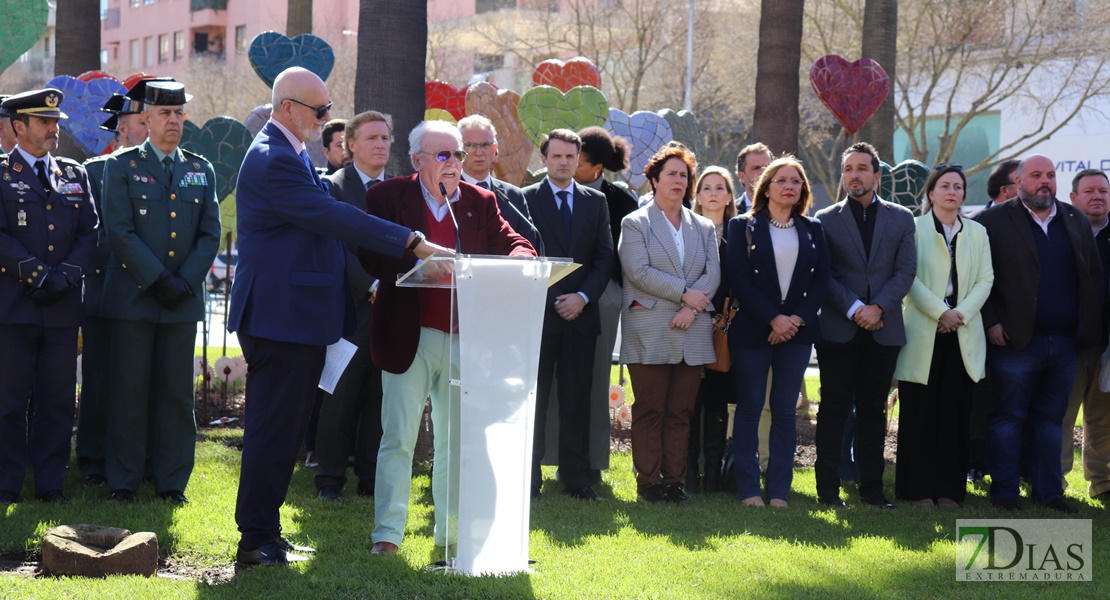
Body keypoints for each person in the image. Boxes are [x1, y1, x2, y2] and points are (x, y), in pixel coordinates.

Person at [228, 67, 447, 567]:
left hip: (296, 317)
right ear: (288, 108)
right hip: (280, 319)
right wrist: (409, 240)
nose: (328, 118)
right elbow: (330, 216)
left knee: (284, 432)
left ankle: (267, 531)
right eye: (320, 110)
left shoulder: (288, 151)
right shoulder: (273, 158)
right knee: (272, 432)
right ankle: (254, 540)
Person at [360, 120, 535, 555]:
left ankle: (450, 534)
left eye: (457, 154)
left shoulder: (478, 201)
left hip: (463, 337)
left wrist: (520, 257)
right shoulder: (385, 197)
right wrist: (416, 260)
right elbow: (369, 251)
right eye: (443, 155)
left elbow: (513, 241)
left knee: (455, 442)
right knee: (398, 438)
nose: (454, 163)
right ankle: (387, 534)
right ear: (418, 160)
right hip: (409, 335)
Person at [99, 81, 221, 505]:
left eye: (179, 114)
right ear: (145, 120)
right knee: (129, 391)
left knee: (175, 395)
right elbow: (119, 230)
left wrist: (183, 281)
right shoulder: (121, 166)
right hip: (135, 298)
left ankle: (172, 481)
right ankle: (124, 480)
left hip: (181, 302)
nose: (174, 120)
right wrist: (158, 279)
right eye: (165, 114)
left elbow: (210, 233)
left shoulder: (200, 169)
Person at [976, 154, 1104, 513]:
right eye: (1036, 175)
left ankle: (1049, 492)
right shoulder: (993, 220)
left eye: (1050, 175)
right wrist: (991, 321)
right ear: (1018, 182)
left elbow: (1091, 277)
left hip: (1064, 342)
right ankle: (1004, 491)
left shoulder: (1073, 218)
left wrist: (1087, 328)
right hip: (1014, 340)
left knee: (1051, 420)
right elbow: (977, 277)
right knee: (1008, 418)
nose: (1044, 181)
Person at [0, 88, 97, 505]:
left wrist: (66, 276)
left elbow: (90, 232)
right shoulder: (1, 172)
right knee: (9, 401)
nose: (53, 129)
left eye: (56, 122)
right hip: (15, 306)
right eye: (44, 122)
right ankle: (7, 483)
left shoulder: (74, 174)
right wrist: (39, 276)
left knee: (57, 401)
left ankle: (50, 483)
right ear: (19, 127)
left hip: (60, 307)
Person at [813, 141, 916, 509]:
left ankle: (872, 490)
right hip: (839, 329)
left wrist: (878, 308)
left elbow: (906, 271)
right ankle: (827, 490)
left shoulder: (902, 218)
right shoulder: (823, 219)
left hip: (884, 329)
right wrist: (857, 308)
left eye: (861, 168)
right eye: (848, 169)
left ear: (876, 174)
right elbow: (822, 276)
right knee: (834, 408)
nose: (853, 175)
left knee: (874, 411)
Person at [619, 144, 719, 505]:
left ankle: (674, 483)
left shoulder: (704, 226)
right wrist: (684, 295)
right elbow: (638, 271)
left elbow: (713, 273)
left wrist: (691, 309)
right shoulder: (635, 223)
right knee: (649, 409)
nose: (679, 180)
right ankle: (648, 484)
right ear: (654, 179)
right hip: (650, 329)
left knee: (680, 411)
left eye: (684, 175)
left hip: (691, 329)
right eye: (671, 174)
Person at [727, 157, 830, 507]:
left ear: (803, 190)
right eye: (781, 180)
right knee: (751, 406)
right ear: (765, 186)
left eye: (796, 181)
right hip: (753, 330)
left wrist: (794, 320)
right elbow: (739, 279)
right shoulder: (741, 226)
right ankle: (748, 489)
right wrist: (774, 319)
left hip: (797, 334)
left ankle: (779, 491)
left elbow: (821, 281)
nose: (789, 186)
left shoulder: (814, 228)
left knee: (786, 409)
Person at [893, 165, 994, 508]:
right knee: (920, 416)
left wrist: (959, 315)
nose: (952, 192)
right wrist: (941, 312)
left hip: (962, 332)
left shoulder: (978, 232)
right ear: (931, 193)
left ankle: (950, 491)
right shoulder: (913, 228)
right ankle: (918, 490)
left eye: (958, 187)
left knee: (955, 415)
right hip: (924, 331)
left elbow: (986, 280)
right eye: (945, 186)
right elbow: (908, 278)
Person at [76, 77, 159, 489]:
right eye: (140, 120)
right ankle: (93, 460)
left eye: (152, 118)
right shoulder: (96, 171)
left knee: (142, 385)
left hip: (152, 295)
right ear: (121, 128)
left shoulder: (168, 170)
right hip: (107, 292)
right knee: (100, 381)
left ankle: (140, 460)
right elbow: (93, 236)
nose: (149, 126)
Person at [522, 129, 613, 500]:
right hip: (538, 314)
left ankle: (575, 476)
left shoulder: (596, 202)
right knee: (535, 398)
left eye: (570, 157)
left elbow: (605, 256)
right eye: (556, 156)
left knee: (577, 398)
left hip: (582, 314)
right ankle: (528, 477)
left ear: (579, 160)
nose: (563, 162)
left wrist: (582, 297)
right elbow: (523, 252)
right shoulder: (525, 198)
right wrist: (557, 296)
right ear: (544, 159)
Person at [313, 110, 394, 501]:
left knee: (382, 397)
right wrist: (370, 285)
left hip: (393, 309)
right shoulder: (332, 188)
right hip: (348, 311)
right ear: (351, 145)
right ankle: (329, 479)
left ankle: (370, 477)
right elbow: (335, 248)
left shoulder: (399, 190)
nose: (381, 144)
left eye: (385, 138)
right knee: (339, 397)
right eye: (373, 138)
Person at [573, 126, 639, 483]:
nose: (570, 166)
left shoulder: (621, 201)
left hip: (604, 296)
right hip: (559, 295)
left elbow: (623, 257)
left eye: (578, 161)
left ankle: (594, 462)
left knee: (598, 380)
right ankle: (556, 457)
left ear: (597, 167)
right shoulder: (551, 189)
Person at [966, 158, 1021, 480]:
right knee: (980, 399)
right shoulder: (977, 224)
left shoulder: (1038, 222)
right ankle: (975, 463)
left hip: (1025, 332)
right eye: (1021, 179)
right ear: (1006, 189)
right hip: (982, 326)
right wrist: (989, 321)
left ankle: (1017, 467)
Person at [686, 165, 737, 493]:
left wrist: (723, 316)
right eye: (707, 187)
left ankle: (714, 478)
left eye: (720, 187)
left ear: (730, 196)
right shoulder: (687, 230)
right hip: (690, 322)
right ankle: (689, 473)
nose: (714, 192)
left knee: (718, 402)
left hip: (725, 328)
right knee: (690, 401)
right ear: (698, 196)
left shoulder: (741, 231)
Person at [1060, 169, 1110, 499]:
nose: (1098, 197)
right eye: (1090, 191)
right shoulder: (1061, 232)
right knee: (1060, 418)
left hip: (1107, 345)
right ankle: (1054, 483)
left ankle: (1103, 484)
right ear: (1073, 198)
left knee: (1103, 419)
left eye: (1103, 192)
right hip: (1065, 343)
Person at [457, 115, 537, 247]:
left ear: (494, 150)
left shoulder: (513, 195)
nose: (479, 152)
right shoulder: (447, 193)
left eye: (485, 145)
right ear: (459, 150)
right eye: (470, 145)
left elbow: (528, 242)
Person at [734, 143, 773, 214]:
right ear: (742, 177)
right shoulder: (730, 211)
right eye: (756, 168)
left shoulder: (787, 208)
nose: (763, 172)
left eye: (768, 167)